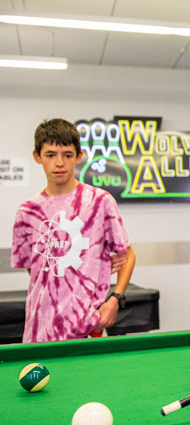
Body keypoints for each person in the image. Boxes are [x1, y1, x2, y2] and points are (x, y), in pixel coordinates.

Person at [11, 118, 136, 343]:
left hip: (86, 326)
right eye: (50, 155)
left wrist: (115, 299)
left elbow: (127, 255)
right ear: (37, 156)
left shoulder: (100, 201)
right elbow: (35, 267)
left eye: (67, 155)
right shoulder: (27, 212)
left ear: (78, 156)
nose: (59, 163)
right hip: (39, 327)